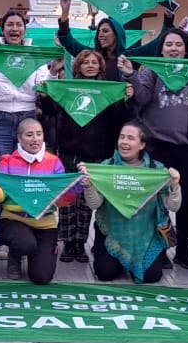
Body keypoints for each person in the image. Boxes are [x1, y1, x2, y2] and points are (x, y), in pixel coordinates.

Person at [120, 28, 188, 270]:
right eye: (168, 44)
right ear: (161, 49)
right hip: (158, 147)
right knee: (157, 202)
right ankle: (159, 249)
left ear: (186, 49)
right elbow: (140, 98)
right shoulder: (152, 70)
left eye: (178, 45)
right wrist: (131, 75)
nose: (173, 48)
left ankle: (184, 250)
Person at [38, 49, 130, 264]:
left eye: (94, 62)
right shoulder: (68, 88)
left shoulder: (108, 89)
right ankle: (68, 243)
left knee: (87, 203)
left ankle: (80, 243)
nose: (90, 65)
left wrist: (124, 99)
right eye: (85, 62)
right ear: (77, 66)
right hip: (69, 150)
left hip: (96, 152)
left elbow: (118, 118)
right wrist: (45, 95)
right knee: (69, 200)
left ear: (100, 67)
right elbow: (51, 110)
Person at [0, 118, 80, 285]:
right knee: (25, 243)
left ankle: (38, 254)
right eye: (29, 135)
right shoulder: (7, 161)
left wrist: (78, 187)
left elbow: (61, 201)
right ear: (19, 138)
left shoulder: (54, 162)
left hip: (45, 224)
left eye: (39, 134)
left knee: (41, 277)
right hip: (13, 219)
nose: (35, 139)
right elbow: (0, 197)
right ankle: (15, 255)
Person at [81, 122, 180, 284]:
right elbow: (94, 205)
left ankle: (141, 259)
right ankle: (116, 258)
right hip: (113, 233)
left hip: (146, 236)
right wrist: (89, 185)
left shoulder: (156, 170)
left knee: (151, 277)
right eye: (121, 137)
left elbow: (173, 206)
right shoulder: (107, 167)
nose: (124, 142)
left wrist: (175, 185)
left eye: (130, 138)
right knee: (105, 274)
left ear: (142, 145)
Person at [55, 0, 178, 80]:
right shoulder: (92, 55)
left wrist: (168, 17)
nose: (100, 35)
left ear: (117, 34)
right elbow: (68, 41)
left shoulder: (130, 57)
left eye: (105, 31)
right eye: (99, 32)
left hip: (121, 113)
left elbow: (159, 43)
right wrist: (65, 12)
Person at [0, 11, 54, 158]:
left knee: (26, 165)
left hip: (28, 117)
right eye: (9, 24)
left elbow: (43, 83)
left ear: (25, 30)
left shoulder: (35, 54)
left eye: (18, 25)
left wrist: (52, 72)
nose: (14, 28)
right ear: (2, 30)